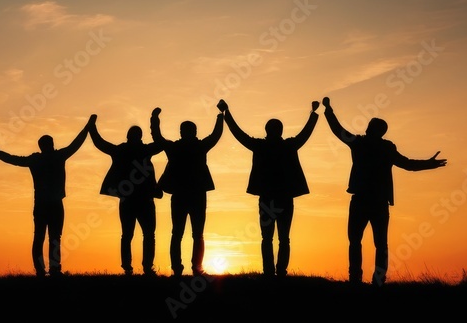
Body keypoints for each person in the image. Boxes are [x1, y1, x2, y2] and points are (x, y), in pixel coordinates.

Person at [321, 97, 446, 286]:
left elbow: (338, 130)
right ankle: (376, 280)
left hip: (363, 200)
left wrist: (329, 111)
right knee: (378, 243)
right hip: (377, 201)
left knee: (357, 241)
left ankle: (356, 278)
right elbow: (408, 164)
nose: (367, 128)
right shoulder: (384, 147)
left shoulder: (361, 144)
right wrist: (429, 164)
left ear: (372, 129)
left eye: (370, 126)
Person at [219, 98, 319, 276]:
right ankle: (279, 272)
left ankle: (270, 271)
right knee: (283, 239)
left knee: (269, 238)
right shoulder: (288, 145)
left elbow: (239, 134)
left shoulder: (261, 146)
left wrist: (227, 113)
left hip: (268, 198)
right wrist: (312, 114)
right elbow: (305, 134)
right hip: (284, 198)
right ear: (280, 131)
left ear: (268, 130)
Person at [0, 115, 94, 277]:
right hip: (53, 204)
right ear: (51, 145)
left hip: (43, 204)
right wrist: (88, 127)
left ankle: (43, 270)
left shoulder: (36, 159)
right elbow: (76, 144)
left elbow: (14, 160)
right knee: (53, 237)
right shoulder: (57, 156)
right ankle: (52, 269)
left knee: (42, 237)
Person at [150, 105, 224, 276]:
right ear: (194, 132)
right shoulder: (199, 146)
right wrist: (220, 116)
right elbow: (216, 135)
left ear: (182, 132)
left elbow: (157, 137)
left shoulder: (175, 148)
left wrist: (155, 118)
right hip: (196, 194)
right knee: (195, 234)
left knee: (179, 233)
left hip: (181, 195)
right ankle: (195, 268)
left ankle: (179, 269)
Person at [88, 118, 164, 275]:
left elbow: (100, 143)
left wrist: (92, 126)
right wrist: (154, 122)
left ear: (128, 137)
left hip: (130, 199)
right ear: (139, 137)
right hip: (142, 200)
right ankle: (144, 267)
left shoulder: (122, 151)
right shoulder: (143, 150)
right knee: (145, 235)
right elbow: (160, 143)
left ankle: (131, 267)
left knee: (130, 234)